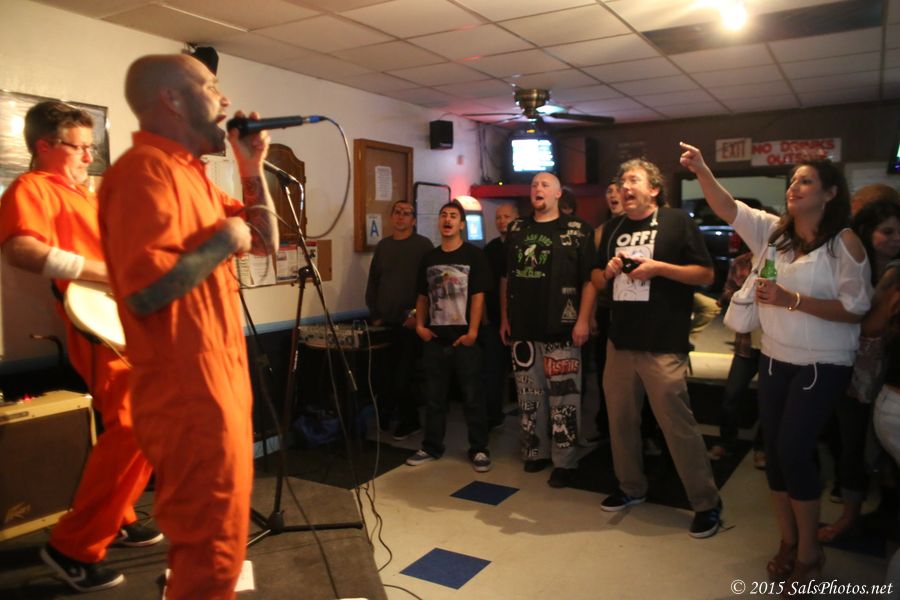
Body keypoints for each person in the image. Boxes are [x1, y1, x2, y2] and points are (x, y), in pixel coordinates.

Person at [98, 54, 278, 599]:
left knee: (223, 546)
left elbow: (264, 238)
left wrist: (252, 167)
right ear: (172, 99)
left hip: (221, 383)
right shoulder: (142, 172)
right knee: (209, 553)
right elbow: (145, 293)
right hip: (188, 398)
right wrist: (224, 239)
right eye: (211, 85)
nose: (225, 100)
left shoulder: (191, 173)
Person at [680, 142, 871, 585]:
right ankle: (788, 539)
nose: (794, 187)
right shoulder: (774, 234)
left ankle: (809, 552)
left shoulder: (843, 242)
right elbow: (728, 207)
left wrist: (792, 300)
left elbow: (856, 309)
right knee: (777, 455)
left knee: (794, 449)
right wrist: (702, 170)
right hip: (774, 357)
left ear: (830, 193)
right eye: (792, 181)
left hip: (822, 362)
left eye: (806, 181)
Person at [0, 101, 159, 593]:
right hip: (94, 325)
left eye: (92, 147)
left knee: (144, 424)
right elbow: (20, 249)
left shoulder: (85, 192)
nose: (90, 157)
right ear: (45, 146)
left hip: (125, 320)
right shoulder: (32, 188)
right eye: (80, 148)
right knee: (134, 427)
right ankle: (72, 547)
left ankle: (120, 516)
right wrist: (106, 274)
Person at [591, 157, 722, 538]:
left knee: (677, 426)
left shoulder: (677, 221)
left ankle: (706, 502)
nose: (625, 187)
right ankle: (631, 487)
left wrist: (659, 268)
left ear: (653, 188)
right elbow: (597, 280)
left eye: (633, 180)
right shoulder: (613, 228)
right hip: (620, 342)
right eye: (622, 181)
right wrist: (607, 273)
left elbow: (705, 273)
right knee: (620, 421)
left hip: (663, 343)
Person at [500, 172, 596, 488]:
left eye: (545, 185)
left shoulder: (578, 230)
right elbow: (506, 277)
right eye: (533, 185)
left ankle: (565, 462)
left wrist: (583, 320)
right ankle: (535, 451)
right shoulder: (517, 228)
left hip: (562, 326)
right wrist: (505, 318)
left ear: (558, 194)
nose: (537, 189)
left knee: (564, 398)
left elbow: (589, 279)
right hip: (523, 327)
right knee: (529, 395)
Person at [819, 198, 900, 542]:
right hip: (848, 366)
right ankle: (851, 512)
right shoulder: (853, 264)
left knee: (879, 445)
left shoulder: (895, 272)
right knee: (850, 441)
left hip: (886, 372)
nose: (896, 238)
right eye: (888, 232)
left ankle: (880, 508)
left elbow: (871, 324)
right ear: (868, 231)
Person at [405, 201, 492, 472]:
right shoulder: (429, 258)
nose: (447, 219)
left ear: (461, 224)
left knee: (473, 397)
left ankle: (479, 448)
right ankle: (432, 446)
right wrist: (420, 326)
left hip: (464, 340)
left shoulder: (474, 256)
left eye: (453, 216)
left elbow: (478, 296)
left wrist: (473, 332)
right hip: (434, 339)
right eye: (443, 215)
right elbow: (422, 296)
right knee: (434, 398)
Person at [365, 200, 433, 439]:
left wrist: (418, 317)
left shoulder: (423, 245)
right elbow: (373, 282)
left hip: (411, 323)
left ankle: (410, 421)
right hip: (385, 322)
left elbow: (430, 285)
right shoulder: (383, 246)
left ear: (413, 220)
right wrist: (375, 315)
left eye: (406, 213)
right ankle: (388, 415)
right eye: (397, 212)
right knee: (384, 375)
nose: (401, 216)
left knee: (403, 377)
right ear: (391, 217)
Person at [482, 202, 518, 429]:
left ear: (516, 218)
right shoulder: (490, 249)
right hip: (494, 319)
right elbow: (483, 285)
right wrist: (484, 316)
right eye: (498, 217)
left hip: (521, 318)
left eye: (506, 216)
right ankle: (493, 415)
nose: (501, 221)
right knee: (493, 371)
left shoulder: (524, 244)